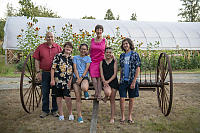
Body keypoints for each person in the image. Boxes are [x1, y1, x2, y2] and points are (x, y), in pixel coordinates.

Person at [33, 32, 62, 118]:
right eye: (48, 37)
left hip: (56, 74)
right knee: (45, 92)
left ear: (54, 37)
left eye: (51, 37)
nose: (50, 38)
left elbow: (63, 58)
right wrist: (38, 72)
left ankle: (55, 110)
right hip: (45, 73)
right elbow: (37, 60)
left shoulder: (58, 47)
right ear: (45, 38)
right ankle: (45, 110)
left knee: (55, 93)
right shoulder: (40, 47)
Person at [50, 42, 74, 121]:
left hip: (67, 82)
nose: (68, 48)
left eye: (70, 47)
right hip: (58, 81)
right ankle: (61, 114)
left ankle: (70, 113)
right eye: (66, 47)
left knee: (67, 97)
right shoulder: (58, 56)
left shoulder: (72, 59)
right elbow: (53, 68)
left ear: (71, 50)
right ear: (64, 48)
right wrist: (52, 79)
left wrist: (70, 81)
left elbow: (73, 71)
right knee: (59, 98)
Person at [119, 38, 141, 124]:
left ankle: (130, 116)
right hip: (123, 80)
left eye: (127, 43)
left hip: (132, 80)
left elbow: (138, 68)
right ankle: (122, 116)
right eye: (124, 44)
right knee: (122, 98)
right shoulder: (122, 56)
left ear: (130, 44)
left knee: (131, 99)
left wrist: (134, 81)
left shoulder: (135, 54)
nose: (125, 45)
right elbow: (121, 68)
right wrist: (120, 78)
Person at [72, 43, 91, 123]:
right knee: (78, 97)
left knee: (84, 87)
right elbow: (75, 68)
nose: (83, 50)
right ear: (79, 49)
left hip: (84, 77)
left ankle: (86, 91)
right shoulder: (75, 57)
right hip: (76, 78)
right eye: (82, 49)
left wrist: (82, 77)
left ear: (86, 50)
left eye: (85, 49)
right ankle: (79, 116)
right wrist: (77, 78)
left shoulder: (88, 58)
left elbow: (87, 69)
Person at [99, 47, 119, 123]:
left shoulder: (114, 61)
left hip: (113, 81)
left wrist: (108, 81)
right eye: (107, 52)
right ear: (105, 53)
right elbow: (101, 73)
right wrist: (104, 81)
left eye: (110, 52)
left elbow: (115, 74)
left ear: (112, 54)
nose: (108, 54)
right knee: (108, 92)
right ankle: (106, 96)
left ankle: (112, 117)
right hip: (104, 81)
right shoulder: (102, 62)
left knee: (112, 100)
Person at [89, 24, 107, 101]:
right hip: (93, 61)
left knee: (99, 79)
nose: (99, 31)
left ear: (102, 31)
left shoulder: (104, 40)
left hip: (101, 61)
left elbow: (107, 51)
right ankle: (97, 92)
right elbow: (90, 50)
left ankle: (98, 94)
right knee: (93, 78)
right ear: (95, 31)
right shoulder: (92, 40)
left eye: (100, 30)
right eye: (97, 29)